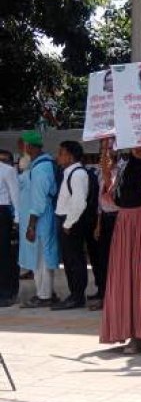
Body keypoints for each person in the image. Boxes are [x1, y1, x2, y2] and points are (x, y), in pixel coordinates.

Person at [100, 146, 141, 353]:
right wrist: (107, 177)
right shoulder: (123, 168)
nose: (139, 149)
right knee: (125, 279)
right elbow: (114, 200)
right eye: (135, 144)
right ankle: (132, 334)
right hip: (124, 227)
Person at [18, 131, 59, 308]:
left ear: (29, 146)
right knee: (40, 258)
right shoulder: (37, 165)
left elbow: (39, 200)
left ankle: (44, 296)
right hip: (37, 219)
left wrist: (31, 226)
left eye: (23, 145)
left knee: (42, 259)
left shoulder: (41, 168)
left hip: (39, 221)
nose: (22, 148)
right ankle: (45, 292)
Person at [53, 141, 92, 310]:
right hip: (67, 220)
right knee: (69, 260)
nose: (58, 157)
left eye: (61, 153)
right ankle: (74, 294)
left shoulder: (77, 174)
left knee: (74, 259)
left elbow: (79, 202)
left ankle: (77, 296)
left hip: (72, 222)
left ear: (70, 156)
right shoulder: (69, 172)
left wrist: (68, 223)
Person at [89, 137, 118, 311]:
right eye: (102, 149)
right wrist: (98, 224)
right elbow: (101, 201)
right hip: (104, 217)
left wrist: (108, 174)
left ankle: (110, 296)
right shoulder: (100, 171)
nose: (105, 152)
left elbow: (114, 196)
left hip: (118, 217)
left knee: (114, 260)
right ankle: (102, 291)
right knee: (102, 258)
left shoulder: (120, 170)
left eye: (108, 149)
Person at [0, 149, 20, 307]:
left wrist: (17, 219)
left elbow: (15, 196)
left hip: (3, 212)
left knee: (5, 254)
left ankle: (8, 292)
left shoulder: (7, 170)